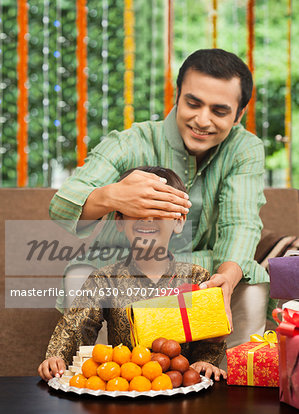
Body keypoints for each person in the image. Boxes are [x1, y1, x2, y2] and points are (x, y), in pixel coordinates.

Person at [49, 48, 269, 350]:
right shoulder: (132, 142)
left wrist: (225, 281)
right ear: (177, 95)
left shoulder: (244, 148)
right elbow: (62, 206)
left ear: (240, 113)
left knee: (251, 284)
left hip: (201, 271)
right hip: (125, 270)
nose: (202, 120)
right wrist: (114, 195)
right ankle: (100, 383)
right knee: (81, 276)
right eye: (193, 103)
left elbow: (240, 224)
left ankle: (229, 387)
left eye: (219, 111)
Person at [39, 167, 227, 382]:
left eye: (158, 211)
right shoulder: (104, 280)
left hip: (182, 389)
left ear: (179, 221)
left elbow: (210, 336)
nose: (146, 220)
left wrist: (206, 362)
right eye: (136, 210)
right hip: (124, 385)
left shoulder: (197, 277)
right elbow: (76, 327)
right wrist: (57, 358)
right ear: (119, 220)